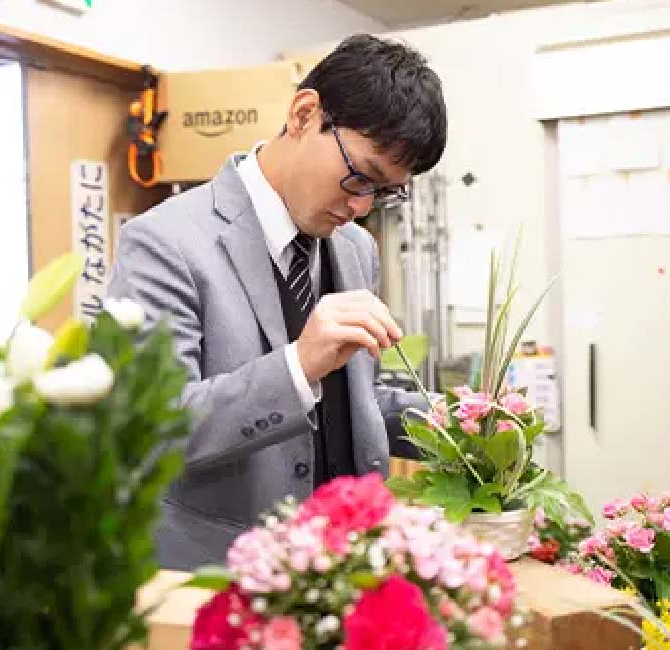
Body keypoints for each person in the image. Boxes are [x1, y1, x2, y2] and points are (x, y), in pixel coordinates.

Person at [107, 33, 448, 570]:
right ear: (304, 114)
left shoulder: (355, 248)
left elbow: (348, 398)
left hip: (342, 574)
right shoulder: (165, 242)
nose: (361, 207)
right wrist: (297, 364)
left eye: (384, 193)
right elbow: (149, 430)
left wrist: (451, 424)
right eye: (360, 176)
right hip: (226, 576)